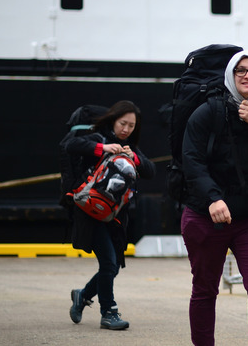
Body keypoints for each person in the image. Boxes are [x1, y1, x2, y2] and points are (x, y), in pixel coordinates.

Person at [180, 51, 248, 345]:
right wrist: (213, 199)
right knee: (205, 290)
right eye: (241, 70)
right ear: (231, 74)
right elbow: (192, 161)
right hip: (205, 216)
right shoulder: (208, 112)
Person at [67, 100, 156, 330]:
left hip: (114, 216)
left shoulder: (129, 147)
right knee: (108, 262)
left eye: (131, 126)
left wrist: (133, 157)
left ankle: (83, 294)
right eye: (122, 123)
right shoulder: (98, 138)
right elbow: (70, 145)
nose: (126, 129)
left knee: (113, 266)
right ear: (113, 120)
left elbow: (150, 170)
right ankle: (109, 312)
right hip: (90, 211)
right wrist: (103, 149)